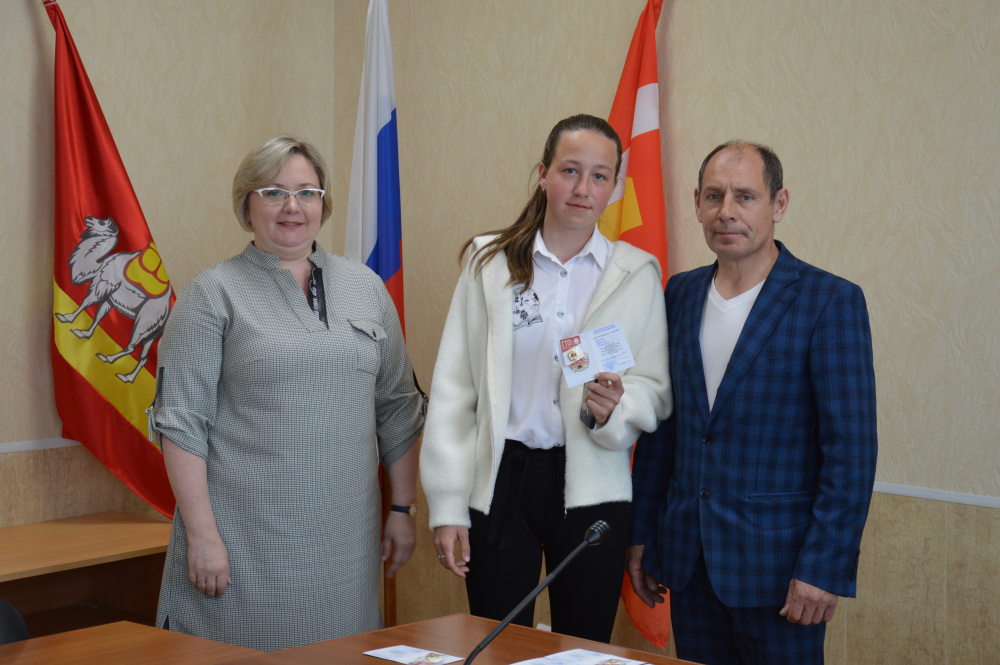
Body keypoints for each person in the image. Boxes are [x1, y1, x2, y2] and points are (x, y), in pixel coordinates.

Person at [149, 135, 426, 651]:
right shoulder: (211, 294)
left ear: (324, 203)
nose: (292, 207)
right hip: (243, 548)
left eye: (307, 192)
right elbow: (181, 423)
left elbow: (398, 407)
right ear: (247, 205)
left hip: (346, 548)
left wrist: (402, 509)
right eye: (274, 192)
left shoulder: (366, 287)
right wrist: (203, 536)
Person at [420, 114, 671, 643]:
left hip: (594, 487)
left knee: (582, 648)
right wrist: (446, 503)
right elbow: (453, 391)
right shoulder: (489, 263)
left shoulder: (636, 273)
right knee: (497, 644)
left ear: (615, 187)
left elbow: (654, 389)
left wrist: (617, 410)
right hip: (501, 482)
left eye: (600, 176)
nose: (583, 189)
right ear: (542, 174)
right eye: (569, 170)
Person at [628, 141, 878, 664]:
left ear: (778, 204)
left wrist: (823, 567)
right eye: (714, 196)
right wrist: (642, 535)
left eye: (745, 196)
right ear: (697, 203)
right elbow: (663, 433)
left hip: (782, 576)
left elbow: (850, 453)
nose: (727, 211)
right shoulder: (678, 294)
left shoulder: (829, 301)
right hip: (688, 563)